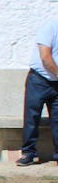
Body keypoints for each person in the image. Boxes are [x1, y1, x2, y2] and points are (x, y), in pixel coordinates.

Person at [16, 16, 58, 166]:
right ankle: (28, 153)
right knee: (32, 118)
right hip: (39, 79)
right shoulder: (50, 27)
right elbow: (45, 56)